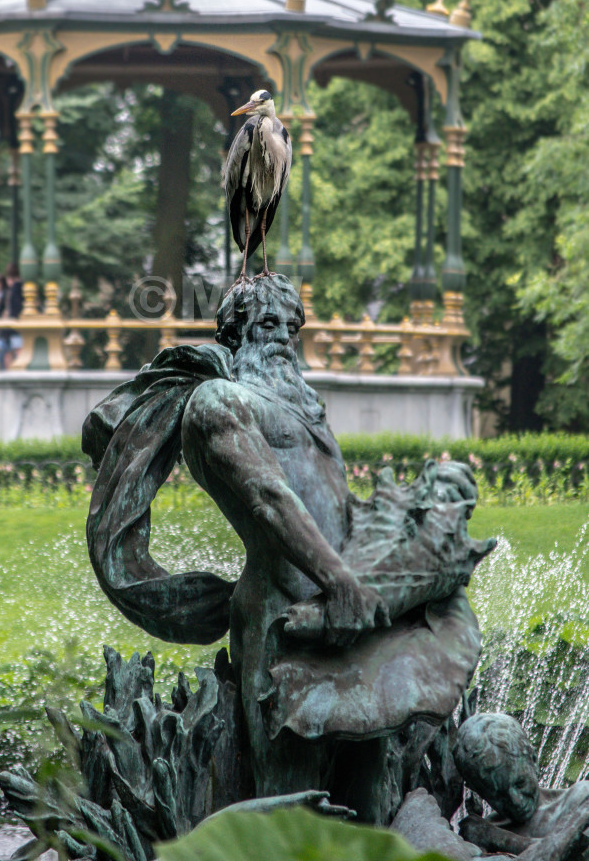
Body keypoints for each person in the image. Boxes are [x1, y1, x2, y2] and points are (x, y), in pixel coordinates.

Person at [84, 274, 491, 825]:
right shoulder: (217, 402)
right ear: (236, 333)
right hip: (284, 621)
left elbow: (337, 506)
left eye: (291, 327)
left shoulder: (306, 406)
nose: (282, 338)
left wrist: (405, 543)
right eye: (267, 325)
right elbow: (269, 498)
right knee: (293, 804)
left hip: (351, 619)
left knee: (373, 796)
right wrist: (341, 583)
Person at [455, 712, 589, 856]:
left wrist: (499, 839)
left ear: (534, 759)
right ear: (477, 791)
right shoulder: (477, 834)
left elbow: (574, 852)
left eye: (520, 784)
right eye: (499, 795)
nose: (516, 801)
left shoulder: (580, 800)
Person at [0, 262, 23, 369]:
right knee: (17, 350)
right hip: (17, 326)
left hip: (10, 326)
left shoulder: (13, 289)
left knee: (10, 352)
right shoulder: (23, 287)